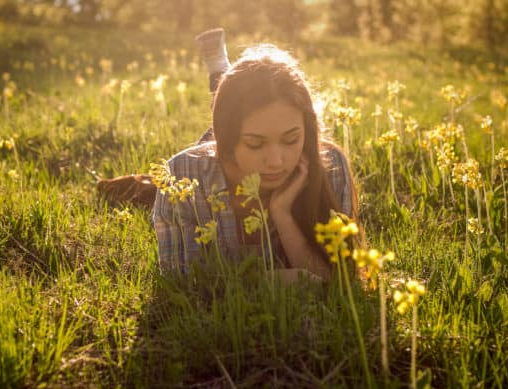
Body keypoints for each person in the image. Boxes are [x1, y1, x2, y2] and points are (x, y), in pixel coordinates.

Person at [152, 43, 361, 283]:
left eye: (291, 139)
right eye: (255, 143)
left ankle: (221, 75)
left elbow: (339, 280)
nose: (276, 161)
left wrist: (283, 216)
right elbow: (180, 281)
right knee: (142, 187)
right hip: (212, 157)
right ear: (228, 140)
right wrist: (269, 283)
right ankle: (219, 75)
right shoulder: (181, 176)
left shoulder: (329, 166)